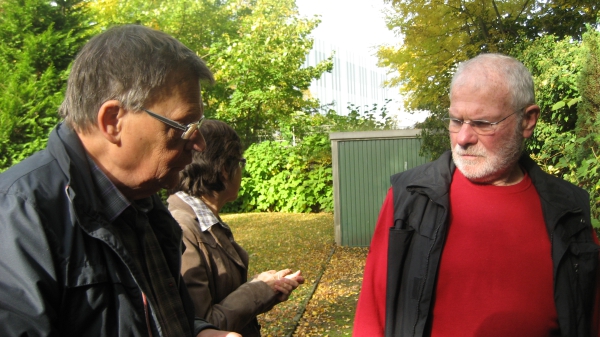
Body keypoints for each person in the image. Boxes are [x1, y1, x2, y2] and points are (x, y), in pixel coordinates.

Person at [0, 25, 241, 337]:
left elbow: (157, 316)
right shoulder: (19, 218)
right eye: (183, 126)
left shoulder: (143, 201)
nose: (199, 145)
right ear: (113, 121)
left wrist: (199, 332)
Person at [353, 53, 600, 337]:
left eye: (483, 123)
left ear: (528, 120)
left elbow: (589, 316)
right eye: (456, 120)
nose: (463, 138)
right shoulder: (410, 198)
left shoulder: (569, 209)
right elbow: (372, 316)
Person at [167, 119, 305, 337]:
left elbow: (226, 300)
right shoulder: (182, 229)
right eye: (240, 162)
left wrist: (266, 288)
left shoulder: (206, 222)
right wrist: (259, 289)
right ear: (224, 170)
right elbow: (203, 325)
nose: (241, 170)